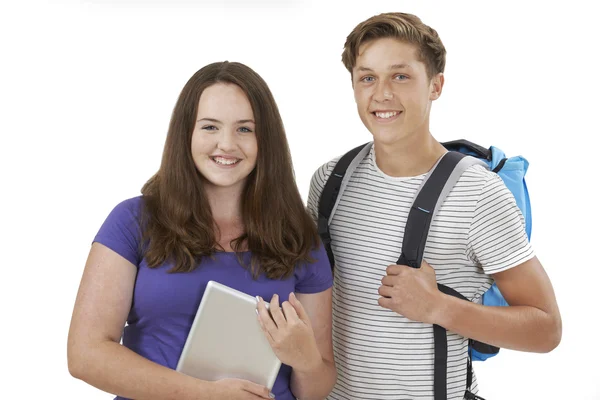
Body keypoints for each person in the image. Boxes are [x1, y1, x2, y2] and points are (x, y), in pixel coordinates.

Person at [307, 12, 561, 400]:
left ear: (436, 85)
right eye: (367, 77)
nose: (382, 94)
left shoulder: (479, 193)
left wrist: (437, 307)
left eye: (401, 76)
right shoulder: (330, 181)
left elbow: (546, 329)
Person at [68, 61, 337, 400]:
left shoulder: (298, 239)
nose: (226, 144)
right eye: (210, 127)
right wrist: (205, 394)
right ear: (187, 134)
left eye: (245, 129)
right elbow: (85, 355)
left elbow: (317, 387)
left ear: (265, 140)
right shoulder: (133, 221)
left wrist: (307, 361)